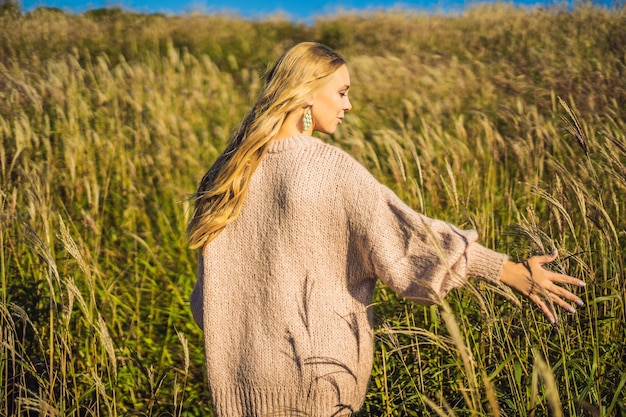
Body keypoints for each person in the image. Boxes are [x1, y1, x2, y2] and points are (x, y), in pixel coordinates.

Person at [187, 42, 585, 417]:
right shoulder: (329, 169)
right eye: (341, 92)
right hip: (320, 378)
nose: (349, 104)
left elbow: (206, 304)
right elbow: (411, 245)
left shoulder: (226, 175)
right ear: (307, 93)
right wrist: (511, 272)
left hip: (241, 381)